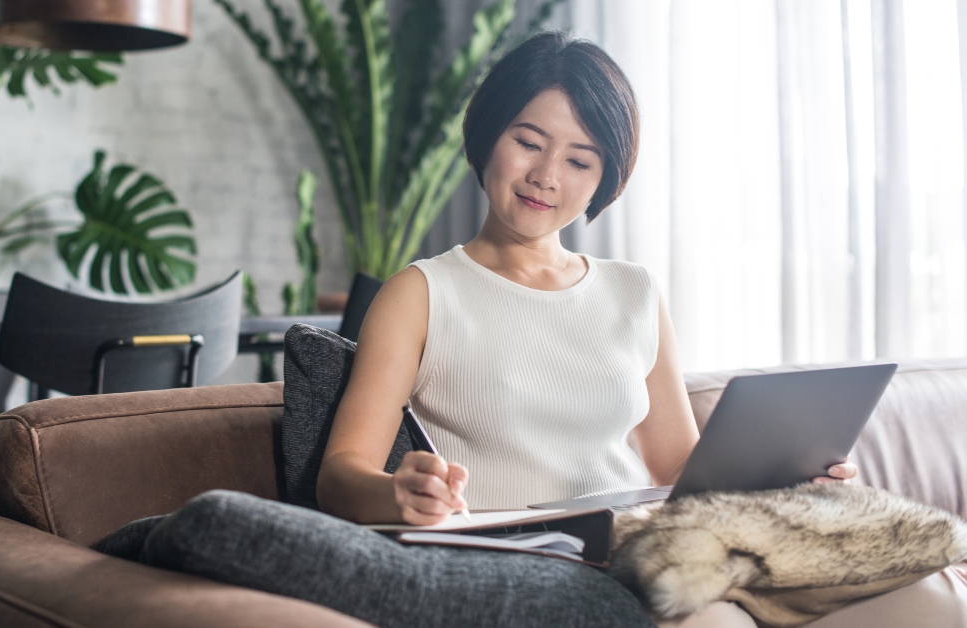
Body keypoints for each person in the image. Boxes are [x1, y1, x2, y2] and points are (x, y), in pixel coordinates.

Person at [315, 32, 967, 628]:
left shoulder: (634, 290)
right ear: (488, 134)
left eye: (580, 159)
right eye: (528, 141)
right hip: (537, 567)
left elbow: (680, 466)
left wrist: (794, 478)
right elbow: (339, 475)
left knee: (936, 596)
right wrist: (399, 492)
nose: (547, 175)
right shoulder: (422, 292)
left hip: (658, 546)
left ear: (606, 176)